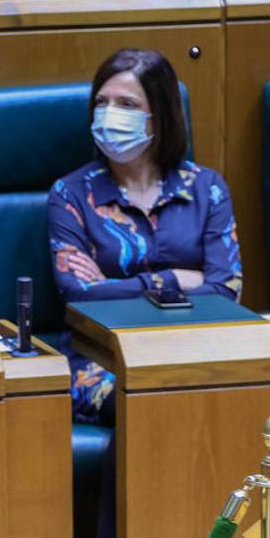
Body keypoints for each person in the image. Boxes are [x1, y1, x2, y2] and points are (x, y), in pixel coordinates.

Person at [48, 48, 243, 427]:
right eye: (101, 103)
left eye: (126, 104)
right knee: (144, 403)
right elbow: (78, 295)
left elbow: (226, 291)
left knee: (230, 398)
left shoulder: (207, 188)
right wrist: (176, 280)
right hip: (100, 358)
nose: (109, 115)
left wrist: (114, 285)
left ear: (161, 116)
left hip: (191, 350)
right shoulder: (70, 193)